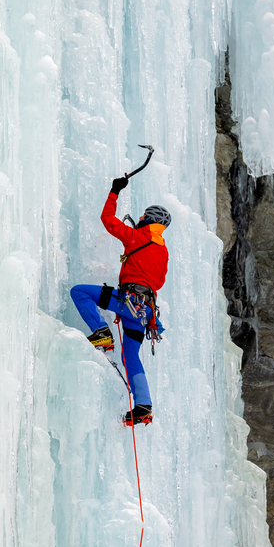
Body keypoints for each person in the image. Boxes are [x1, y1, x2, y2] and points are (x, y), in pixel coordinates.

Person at [71, 174, 170, 426]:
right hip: (145, 313)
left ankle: (101, 332)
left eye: (144, 216)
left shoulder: (137, 237)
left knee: (80, 292)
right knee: (130, 357)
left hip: (128, 301)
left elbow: (108, 219)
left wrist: (115, 191)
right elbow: (158, 282)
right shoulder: (162, 250)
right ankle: (143, 406)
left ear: (150, 219)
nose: (140, 218)